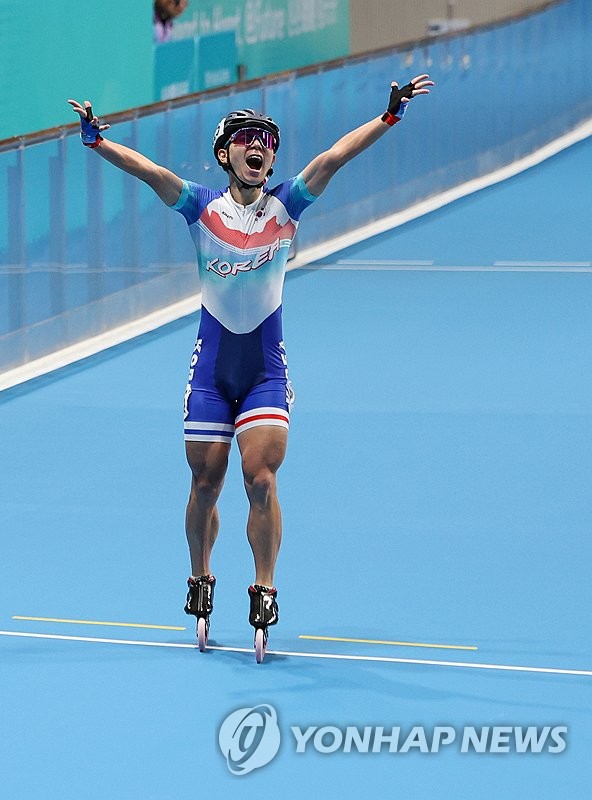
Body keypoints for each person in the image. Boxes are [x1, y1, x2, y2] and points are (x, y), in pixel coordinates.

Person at [68, 75, 434, 660]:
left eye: (266, 137)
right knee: (205, 485)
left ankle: (264, 587)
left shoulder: (286, 204)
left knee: (260, 479)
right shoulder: (199, 207)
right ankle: (199, 574)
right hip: (211, 373)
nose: (258, 145)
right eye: (245, 137)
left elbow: (334, 157)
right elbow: (150, 173)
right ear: (225, 153)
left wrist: (387, 117)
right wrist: (97, 143)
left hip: (264, 369)